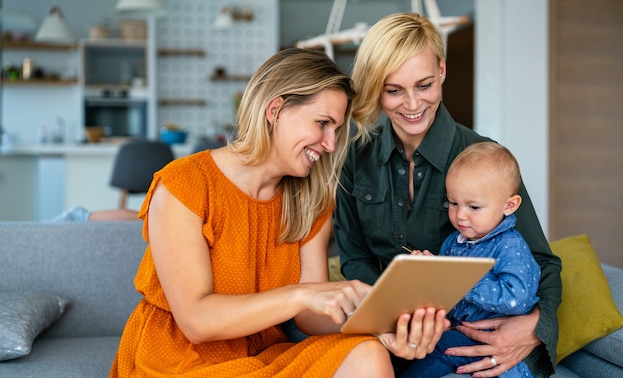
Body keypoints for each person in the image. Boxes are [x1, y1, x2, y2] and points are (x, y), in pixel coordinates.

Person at [109, 47, 446, 377]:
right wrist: (302, 295)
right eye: (322, 123)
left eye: (336, 130)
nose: (330, 144)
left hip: (262, 355)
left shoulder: (311, 199)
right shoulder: (184, 185)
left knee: (367, 354)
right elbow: (197, 321)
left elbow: (310, 319)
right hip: (180, 360)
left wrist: (381, 327)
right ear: (275, 110)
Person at [333, 13, 562, 378]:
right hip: (391, 340)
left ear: (441, 70)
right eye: (393, 90)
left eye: (423, 85)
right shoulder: (354, 159)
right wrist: (392, 319)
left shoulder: (486, 160)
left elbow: (540, 261)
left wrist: (537, 325)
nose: (411, 104)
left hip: (473, 341)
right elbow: (356, 259)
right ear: (376, 89)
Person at [402, 141, 541, 377]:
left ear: (509, 205)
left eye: (474, 207)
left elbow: (517, 299)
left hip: (495, 343)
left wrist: (459, 279)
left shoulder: (510, 246)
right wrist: (427, 271)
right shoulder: (452, 242)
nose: (460, 215)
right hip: (455, 334)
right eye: (453, 203)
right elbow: (443, 294)